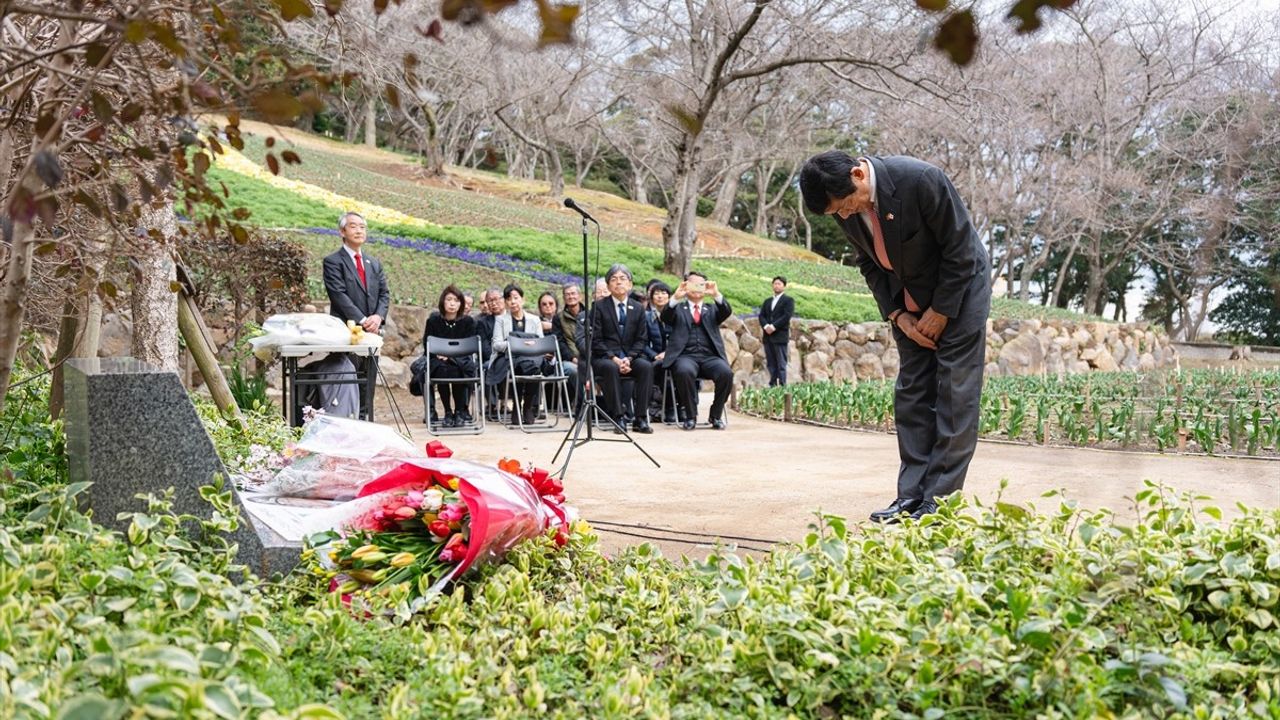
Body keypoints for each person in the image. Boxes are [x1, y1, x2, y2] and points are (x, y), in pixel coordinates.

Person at [799, 149, 991, 522]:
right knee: (912, 395)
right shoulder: (845, 205)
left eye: (843, 206)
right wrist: (897, 315)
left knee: (955, 394)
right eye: (835, 212)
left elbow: (961, 249)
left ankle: (939, 502)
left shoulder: (921, 180)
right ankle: (910, 498)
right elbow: (868, 263)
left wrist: (940, 311)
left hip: (961, 293)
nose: (843, 215)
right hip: (908, 301)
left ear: (857, 174)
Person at [321, 211, 389, 419]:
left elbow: (384, 294)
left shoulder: (373, 263)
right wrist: (362, 320)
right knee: (347, 381)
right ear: (342, 231)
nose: (359, 230)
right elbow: (338, 295)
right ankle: (346, 423)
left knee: (368, 382)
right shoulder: (333, 262)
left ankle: (366, 421)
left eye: (362, 226)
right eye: (353, 226)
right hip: (346, 332)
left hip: (373, 332)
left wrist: (377, 317)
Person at [661, 271, 733, 431]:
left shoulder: (712, 309)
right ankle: (690, 416)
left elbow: (726, 311)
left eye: (700, 284)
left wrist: (716, 294)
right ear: (686, 286)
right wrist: (676, 297)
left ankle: (715, 415)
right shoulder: (678, 308)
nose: (696, 287)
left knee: (726, 373)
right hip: (685, 356)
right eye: (692, 284)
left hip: (710, 357)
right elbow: (665, 317)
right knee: (684, 371)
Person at [589, 264, 654, 434]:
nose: (618, 282)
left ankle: (640, 418)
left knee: (646, 367)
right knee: (610, 368)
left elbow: (641, 339)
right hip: (606, 357)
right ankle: (619, 417)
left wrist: (629, 358)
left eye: (623, 278)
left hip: (630, 357)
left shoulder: (638, 308)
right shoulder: (599, 307)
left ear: (630, 284)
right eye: (614, 279)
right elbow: (596, 340)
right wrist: (615, 359)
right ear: (609, 285)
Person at [490, 284, 546, 426]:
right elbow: (496, 344)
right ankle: (517, 406)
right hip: (509, 356)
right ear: (506, 302)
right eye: (509, 299)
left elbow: (540, 341)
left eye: (516, 298)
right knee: (522, 366)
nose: (513, 302)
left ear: (523, 299)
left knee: (532, 365)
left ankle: (527, 405)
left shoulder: (534, 319)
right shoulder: (501, 320)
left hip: (532, 356)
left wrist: (529, 346)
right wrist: (516, 345)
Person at [423, 285, 478, 428]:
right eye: (449, 299)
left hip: (461, 361)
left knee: (459, 370)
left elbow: (469, 347)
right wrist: (438, 354)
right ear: (443, 302)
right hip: (439, 361)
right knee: (442, 370)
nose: (452, 303)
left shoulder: (468, 322)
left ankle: (459, 411)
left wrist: (451, 356)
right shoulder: (433, 321)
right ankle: (448, 411)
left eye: (456, 300)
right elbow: (427, 344)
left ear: (461, 304)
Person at [645, 281, 676, 423]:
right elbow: (642, 342)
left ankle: (671, 408)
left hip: (673, 355)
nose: (660, 296)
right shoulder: (646, 317)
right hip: (653, 356)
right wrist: (653, 354)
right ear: (651, 298)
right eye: (656, 293)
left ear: (669, 297)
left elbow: (680, 339)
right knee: (651, 367)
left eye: (664, 293)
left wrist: (667, 353)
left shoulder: (676, 315)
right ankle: (654, 407)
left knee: (666, 367)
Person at [759, 275, 795, 387]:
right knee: (771, 363)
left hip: (779, 336)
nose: (777, 285)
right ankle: (773, 384)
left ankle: (782, 385)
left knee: (781, 363)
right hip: (768, 336)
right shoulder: (767, 301)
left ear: (784, 286)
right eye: (775, 283)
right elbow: (761, 316)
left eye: (779, 284)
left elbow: (786, 316)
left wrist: (773, 327)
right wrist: (766, 327)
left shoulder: (788, 300)